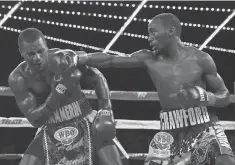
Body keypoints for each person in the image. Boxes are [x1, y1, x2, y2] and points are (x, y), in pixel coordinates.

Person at [77, 13, 235, 165]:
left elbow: (225, 95)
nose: (149, 38)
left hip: (203, 125)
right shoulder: (149, 59)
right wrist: (80, 58)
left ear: (170, 31)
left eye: (153, 32)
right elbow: (112, 60)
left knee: (225, 161)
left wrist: (205, 97)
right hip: (170, 129)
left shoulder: (201, 59)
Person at [8, 28, 125, 165]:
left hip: (83, 116)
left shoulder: (62, 58)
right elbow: (35, 120)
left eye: (41, 51)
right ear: (21, 52)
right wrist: (58, 92)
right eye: (31, 54)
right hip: (51, 125)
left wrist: (106, 109)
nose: (37, 58)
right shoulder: (19, 78)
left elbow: (96, 76)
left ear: (46, 46)